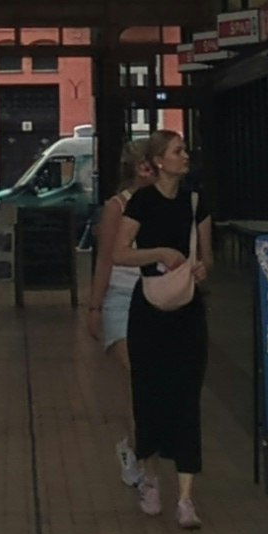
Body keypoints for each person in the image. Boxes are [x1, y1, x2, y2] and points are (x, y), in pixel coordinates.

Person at [121, 126, 212, 528]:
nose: (185, 156)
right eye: (177, 151)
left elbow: (208, 255)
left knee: (187, 395)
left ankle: (187, 498)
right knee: (149, 393)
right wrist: (158, 252)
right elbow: (117, 252)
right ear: (159, 161)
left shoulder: (196, 202)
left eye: (185, 150)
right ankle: (151, 478)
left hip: (188, 311)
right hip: (150, 311)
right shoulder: (141, 202)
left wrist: (202, 267)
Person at [86, 136, 164, 488]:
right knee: (143, 377)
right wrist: (95, 305)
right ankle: (149, 473)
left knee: (152, 385)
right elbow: (104, 259)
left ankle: (133, 449)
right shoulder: (117, 206)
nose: (152, 169)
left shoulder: (169, 202)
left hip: (158, 297)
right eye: (146, 163)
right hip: (121, 296)